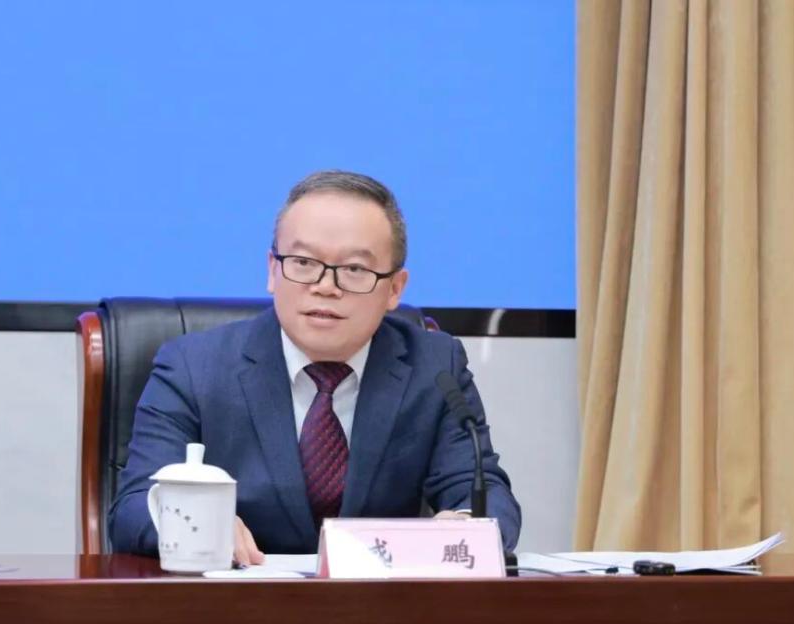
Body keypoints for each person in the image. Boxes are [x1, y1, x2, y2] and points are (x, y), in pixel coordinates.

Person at [109, 170, 521, 563]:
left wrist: (465, 526)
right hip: (234, 599)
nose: (325, 286)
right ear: (273, 271)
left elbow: (484, 491)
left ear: (395, 289)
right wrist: (195, 523)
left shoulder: (434, 367)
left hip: (378, 603)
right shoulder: (193, 367)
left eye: (355, 269)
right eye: (303, 263)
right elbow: (133, 506)